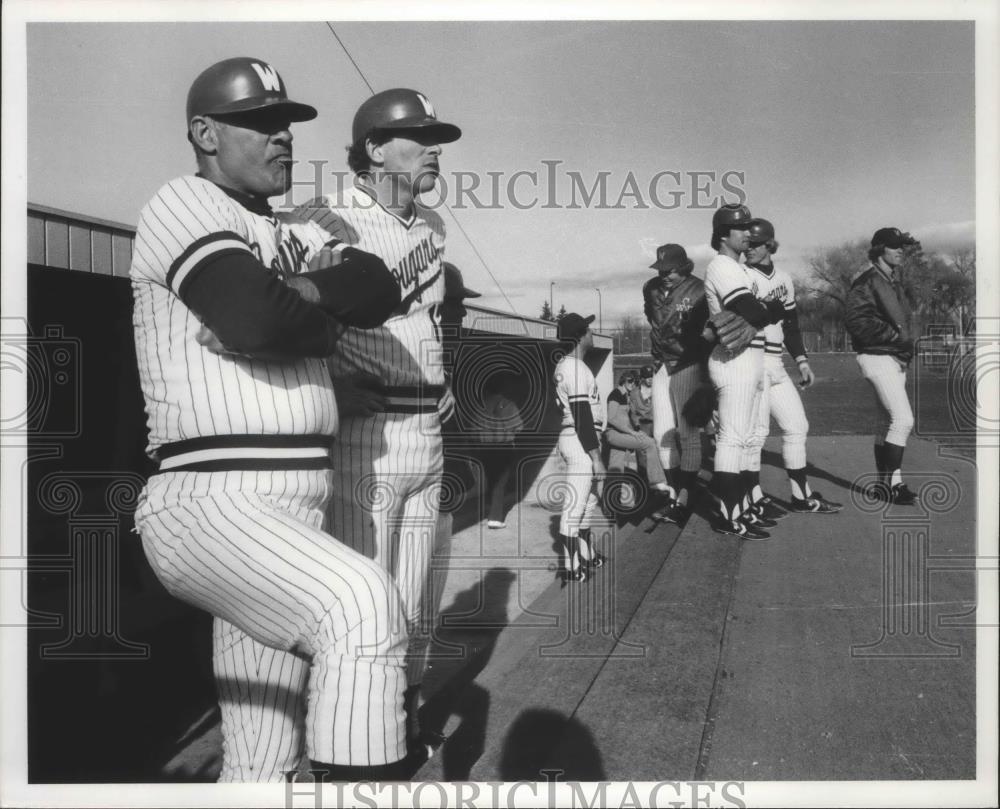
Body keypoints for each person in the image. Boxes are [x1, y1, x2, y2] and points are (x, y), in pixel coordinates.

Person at [129, 57, 411, 782]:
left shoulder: (296, 226)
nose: (282, 136)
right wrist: (322, 327)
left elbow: (379, 285)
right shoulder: (182, 202)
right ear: (205, 133)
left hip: (293, 511)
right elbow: (255, 319)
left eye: (284, 123)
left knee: (260, 763)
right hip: (210, 502)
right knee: (361, 606)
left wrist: (300, 291)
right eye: (259, 123)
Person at [295, 87, 462, 755]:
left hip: (428, 433)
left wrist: (443, 375)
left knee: (418, 606)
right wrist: (330, 372)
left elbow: (430, 318)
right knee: (364, 609)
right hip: (369, 437)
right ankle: (342, 747)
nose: (434, 148)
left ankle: (401, 725)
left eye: (435, 136)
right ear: (373, 149)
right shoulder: (327, 219)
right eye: (418, 136)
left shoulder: (432, 228)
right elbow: (287, 308)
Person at [743, 218, 842, 515]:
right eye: (746, 243)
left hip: (776, 362)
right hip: (751, 360)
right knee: (756, 435)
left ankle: (801, 496)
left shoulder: (784, 279)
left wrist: (802, 361)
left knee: (797, 426)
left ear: (770, 245)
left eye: (755, 243)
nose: (748, 248)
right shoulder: (741, 275)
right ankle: (753, 499)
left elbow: (791, 326)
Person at [702, 204, 788, 539]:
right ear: (723, 234)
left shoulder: (736, 268)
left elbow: (758, 313)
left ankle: (741, 509)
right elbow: (751, 309)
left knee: (745, 438)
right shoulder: (722, 266)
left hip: (748, 358)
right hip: (732, 360)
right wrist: (770, 308)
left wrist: (766, 310)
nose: (747, 234)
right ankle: (728, 515)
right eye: (741, 229)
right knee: (732, 439)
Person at [844, 227, 920, 505]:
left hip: (893, 357)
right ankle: (890, 486)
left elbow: (903, 322)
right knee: (903, 420)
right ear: (878, 250)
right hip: (877, 357)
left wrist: (903, 345)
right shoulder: (866, 281)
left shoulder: (891, 280)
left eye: (902, 246)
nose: (900, 250)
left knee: (886, 422)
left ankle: (887, 485)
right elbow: (857, 323)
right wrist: (897, 337)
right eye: (894, 246)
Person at [642, 243, 712, 522]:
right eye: (661, 269)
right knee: (661, 434)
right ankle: (672, 494)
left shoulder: (700, 289)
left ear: (683, 266)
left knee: (688, 433)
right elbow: (653, 319)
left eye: (670, 270)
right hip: (661, 363)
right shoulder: (650, 288)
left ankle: (685, 498)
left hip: (687, 363)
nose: (664, 275)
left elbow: (709, 330)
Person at [553, 313, 607, 582]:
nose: (592, 332)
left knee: (588, 501)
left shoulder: (575, 365)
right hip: (579, 438)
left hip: (583, 437)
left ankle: (585, 554)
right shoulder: (572, 367)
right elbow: (582, 413)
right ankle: (571, 566)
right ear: (580, 336)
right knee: (575, 506)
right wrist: (596, 457)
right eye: (588, 329)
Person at [604, 372, 674, 499]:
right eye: (630, 381)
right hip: (614, 434)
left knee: (616, 466)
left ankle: (611, 500)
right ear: (623, 380)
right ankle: (656, 481)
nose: (632, 384)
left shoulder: (626, 396)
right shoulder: (615, 394)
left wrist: (637, 429)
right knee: (649, 443)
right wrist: (632, 433)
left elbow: (628, 418)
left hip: (620, 435)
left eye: (635, 382)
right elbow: (612, 418)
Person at [629, 365, 655, 437]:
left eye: (651, 376)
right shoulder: (634, 393)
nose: (650, 379)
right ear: (642, 378)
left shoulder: (658, 391)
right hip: (642, 427)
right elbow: (633, 412)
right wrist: (637, 426)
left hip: (656, 425)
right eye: (647, 376)